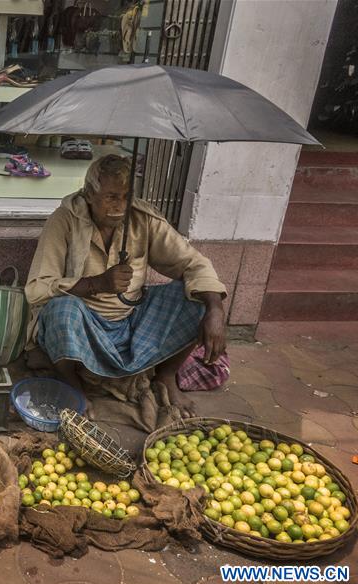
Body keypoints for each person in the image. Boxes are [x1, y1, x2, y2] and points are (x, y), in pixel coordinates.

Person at [25, 154, 227, 418]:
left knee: (197, 297)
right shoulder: (65, 220)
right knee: (60, 310)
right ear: (89, 194)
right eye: (111, 197)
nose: (120, 206)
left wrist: (215, 308)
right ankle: (72, 384)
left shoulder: (142, 218)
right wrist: (96, 283)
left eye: (126, 196)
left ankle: (166, 376)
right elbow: (37, 288)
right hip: (85, 323)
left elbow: (194, 264)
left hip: (132, 318)